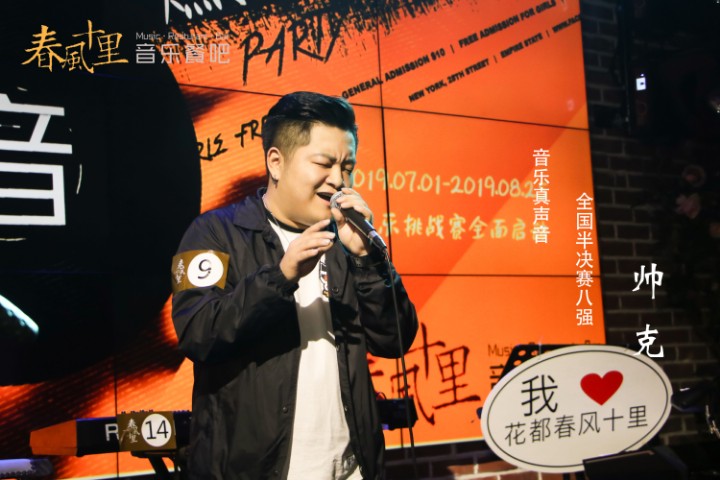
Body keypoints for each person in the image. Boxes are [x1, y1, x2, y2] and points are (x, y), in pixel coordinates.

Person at [171, 91, 419, 480]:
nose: (338, 180)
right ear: (276, 161)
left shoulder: (346, 240)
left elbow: (394, 340)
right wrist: (281, 276)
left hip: (352, 469)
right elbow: (198, 333)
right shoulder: (213, 233)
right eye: (324, 163)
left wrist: (367, 261)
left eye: (347, 166)